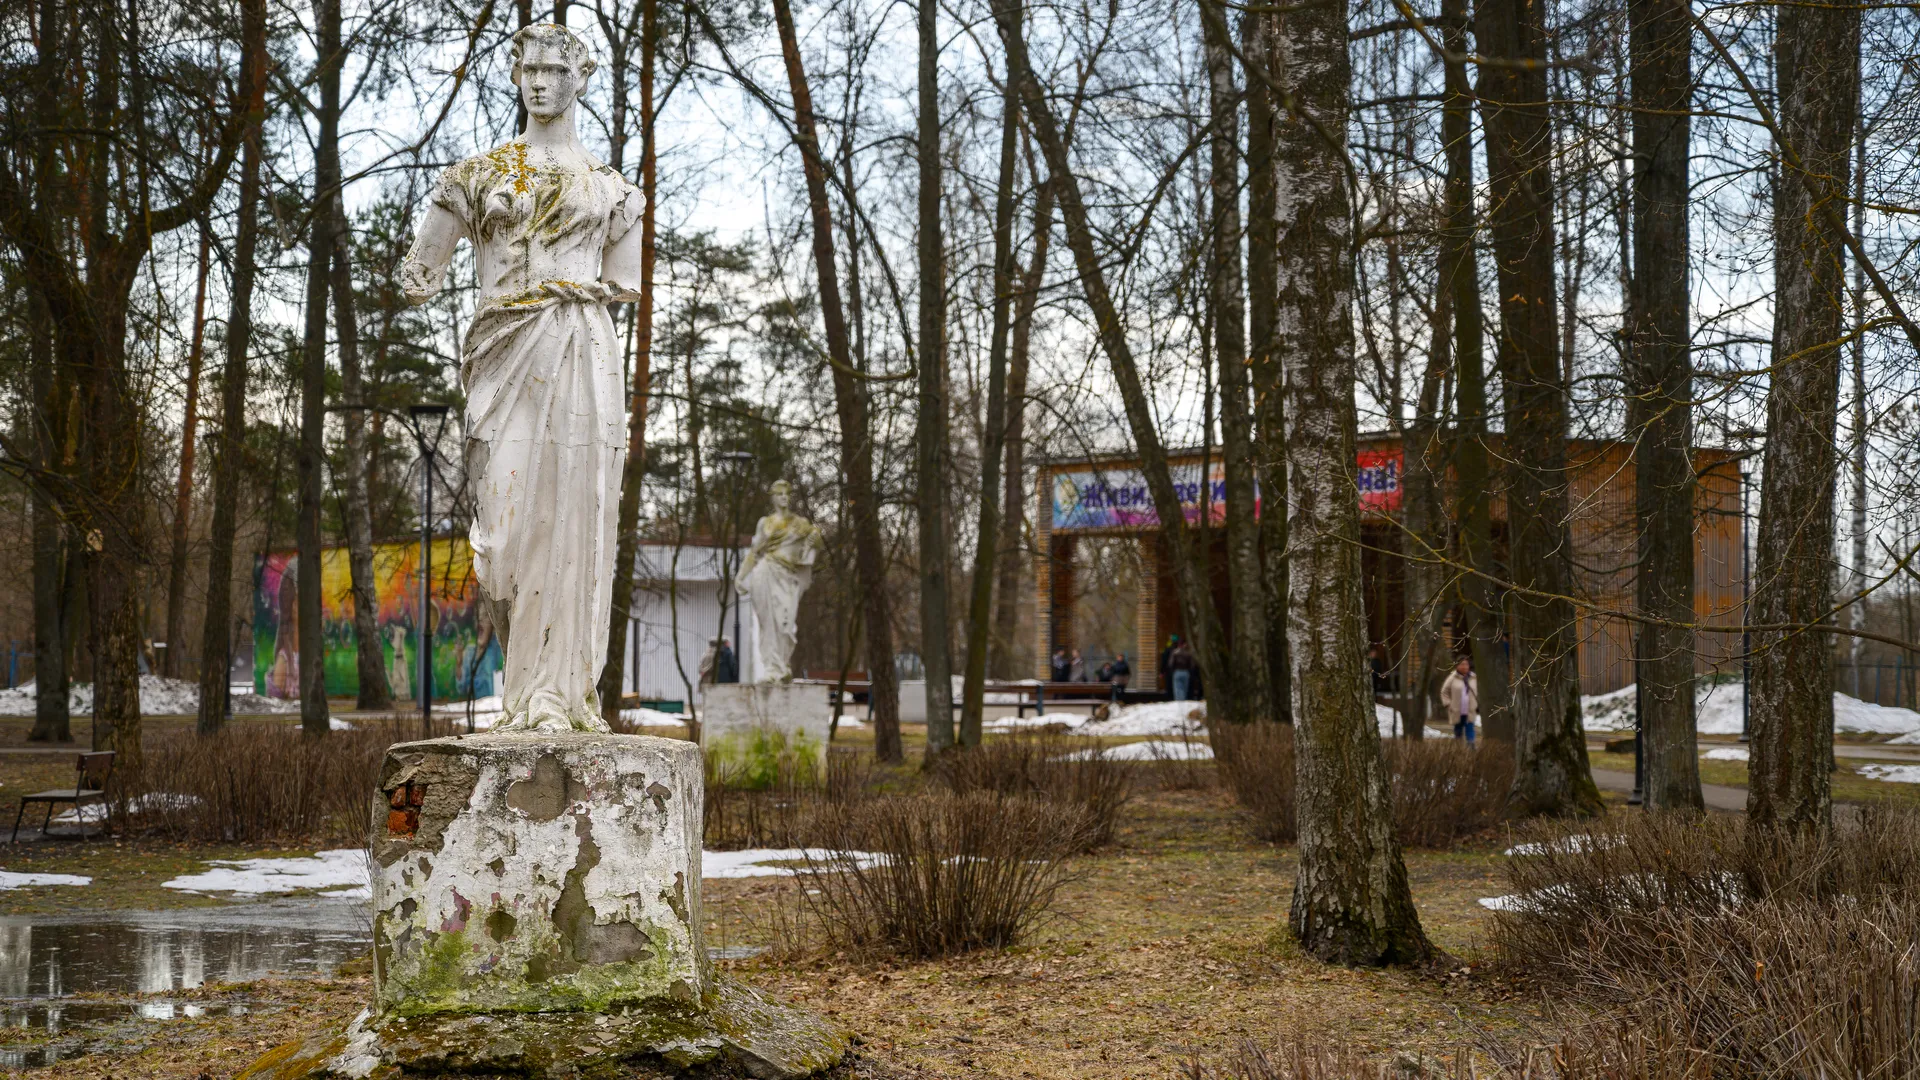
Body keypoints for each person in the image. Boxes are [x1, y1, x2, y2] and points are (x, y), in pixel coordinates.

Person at [402, 24, 645, 732]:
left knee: (575, 521)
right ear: (515, 77)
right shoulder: (478, 175)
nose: (539, 82)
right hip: (503, 355)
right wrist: (422, 265)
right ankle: (523, 690)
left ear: (581, 78)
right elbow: (423, 266)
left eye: (553, 71)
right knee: (504, 541)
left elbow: (621, 282)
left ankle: (558, 697)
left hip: (580, 353)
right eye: (527, 70)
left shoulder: (612, 191)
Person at [1440, 656, 1478, 744]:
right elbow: (1444, 692)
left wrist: (1476, 704)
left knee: (1470, 731)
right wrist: (1448, 704)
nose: (1464, 666)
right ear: (1457, 666)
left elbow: (1478, 691)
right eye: (1462, 664)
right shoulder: (1452, 677)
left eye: (1466, 664)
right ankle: (1459, 751)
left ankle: (1471, 752)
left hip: (1470, 710)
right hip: (1457, 710)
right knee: (1458, 732)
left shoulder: (1473, 677)